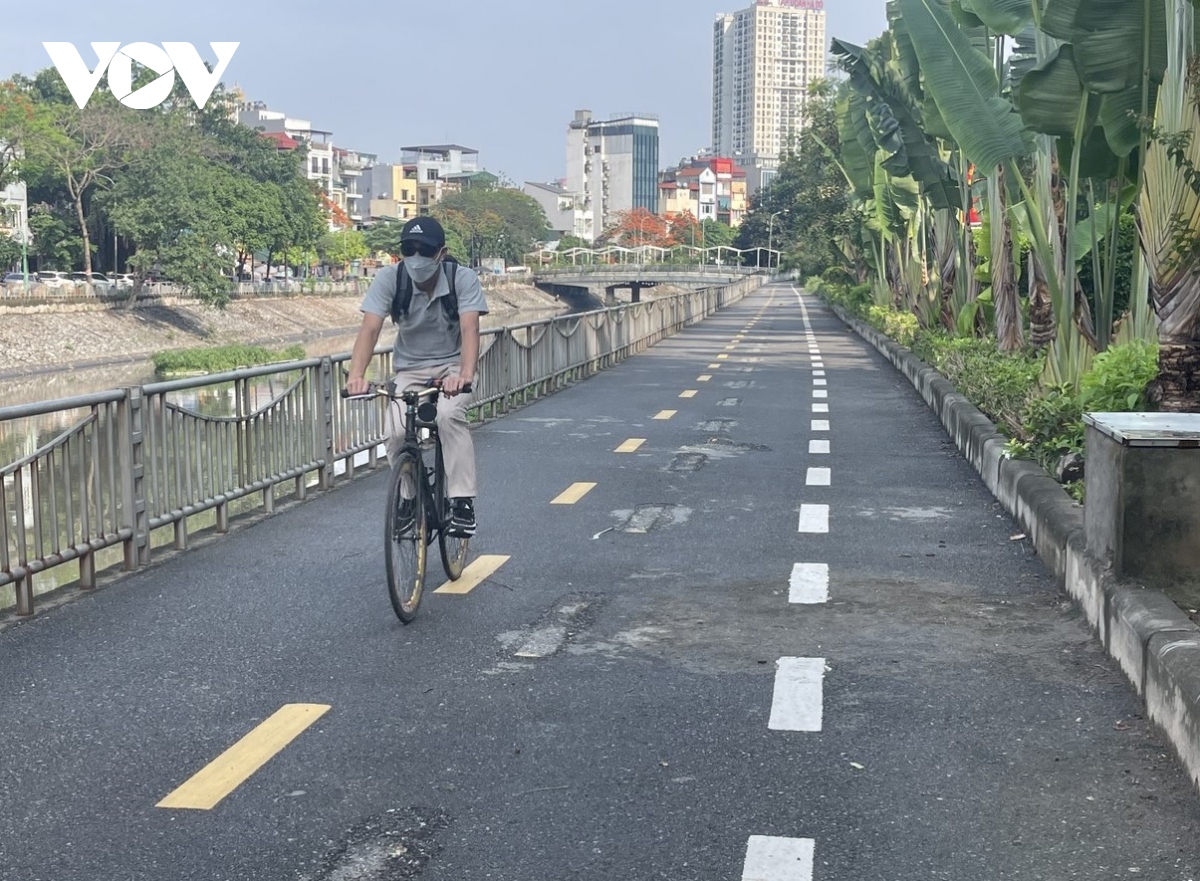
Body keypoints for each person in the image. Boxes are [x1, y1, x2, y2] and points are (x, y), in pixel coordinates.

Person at [345, 216, 488, 537]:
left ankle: (462, 502)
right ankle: (409, 497)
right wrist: (356, 375)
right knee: (396, 433)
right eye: (410, 249)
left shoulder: (462, 279)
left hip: (453, 369)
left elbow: (470, 328)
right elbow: (369, 328)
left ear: (441, 253)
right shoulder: (390, 279)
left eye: (425, 250)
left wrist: (464, 374)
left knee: (449, 417)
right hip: (410, 371)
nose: (417, 257)